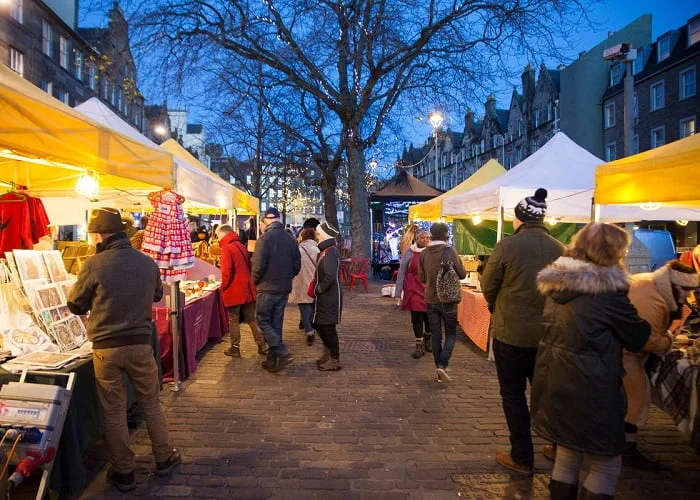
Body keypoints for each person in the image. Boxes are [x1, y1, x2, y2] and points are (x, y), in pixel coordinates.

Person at [531, 223, 652, 499]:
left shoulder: (557, 285)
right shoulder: (608, 293)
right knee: (605, 461)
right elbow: (638, 336)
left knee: (568, 453)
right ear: (614, 252)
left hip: (555, 380)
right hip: (593, 387)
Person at [67, 208, 180, 492]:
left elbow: (76, 304)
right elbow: (156, 295)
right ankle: (165, 458)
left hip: (107, 347)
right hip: (140, 343)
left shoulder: (94, 263)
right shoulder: (147, 262)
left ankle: (124, 471)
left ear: (100, 234)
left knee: (113, 410)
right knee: (151, 403)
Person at [479, 188, 565, 473]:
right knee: (547, 393)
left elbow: (488, 286)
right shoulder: (559, 249)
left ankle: (522, 456)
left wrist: (497, 306)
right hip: (547, 334)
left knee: (513, 395)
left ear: (519, 218)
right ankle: (556, 447)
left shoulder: (507, 246)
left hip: (511, 334)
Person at [623, 260, 699, 469]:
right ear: (673, 285)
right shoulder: (654, 300)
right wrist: (667, 339)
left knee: (631, 397)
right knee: (637, 398)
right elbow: (647, 341)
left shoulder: (652, 284)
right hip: (626, 355)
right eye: (684, 290)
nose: (686, 297)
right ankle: (625, 447)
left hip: (620, 351)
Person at [252, 207, 301, 373]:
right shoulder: (290, 238)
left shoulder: (265, 239)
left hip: (267, 288)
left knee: (263, 321)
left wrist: (255, 282)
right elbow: (296, 266)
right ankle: (273, 360)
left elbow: (257, 266)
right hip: (283, 288)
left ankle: (281, 350)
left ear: (265, 221)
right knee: (276, 324)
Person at [418, 222, 466, 382]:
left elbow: (422, 277)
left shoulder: (424, 253)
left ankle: (439, 369)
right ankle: (443, 364)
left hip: (430, 299)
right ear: (446, 235)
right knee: (451, 333)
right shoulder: (449, 250)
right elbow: (462, 274)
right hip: (448, 300)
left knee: (436, 335)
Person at [216, 224, 268, 358]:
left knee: (233, 319)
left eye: (217, 235)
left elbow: (227, 271)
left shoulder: (227, 248)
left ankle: (235, 347)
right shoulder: (240, 245)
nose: (217, 238)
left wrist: (224, 287)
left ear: (223, 234)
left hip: (234, 287)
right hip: (247, 287)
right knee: (251, 318)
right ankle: (262, 345)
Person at [312, 221, 343, 371]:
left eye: (318, 234)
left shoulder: (330, 251)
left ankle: (334, 358)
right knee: (319, 323)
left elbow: (330, 275)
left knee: (328, 327)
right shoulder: (327, 250)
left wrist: (319, 289)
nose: (316, 236)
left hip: (329, 296)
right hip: (326, 296)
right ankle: (328, 353)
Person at [395, 229, 431, 358]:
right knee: (417, 317)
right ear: (416, 239)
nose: (425, 240)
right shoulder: (409, 253)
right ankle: (419, 344)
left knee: (429, 316)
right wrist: (398, 292)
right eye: (423, 238)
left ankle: (428, 338)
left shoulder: (432, 252)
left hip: (428, 289)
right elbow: (401, 272)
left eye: (427, 238)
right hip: (413, 288)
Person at [290, 228, 320, 346]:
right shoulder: (318, 250)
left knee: (303, 306)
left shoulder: (298, 250)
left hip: (301, 282)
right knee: (312, 305)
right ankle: (308, 325)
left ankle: (309, 331)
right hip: (314, 282)